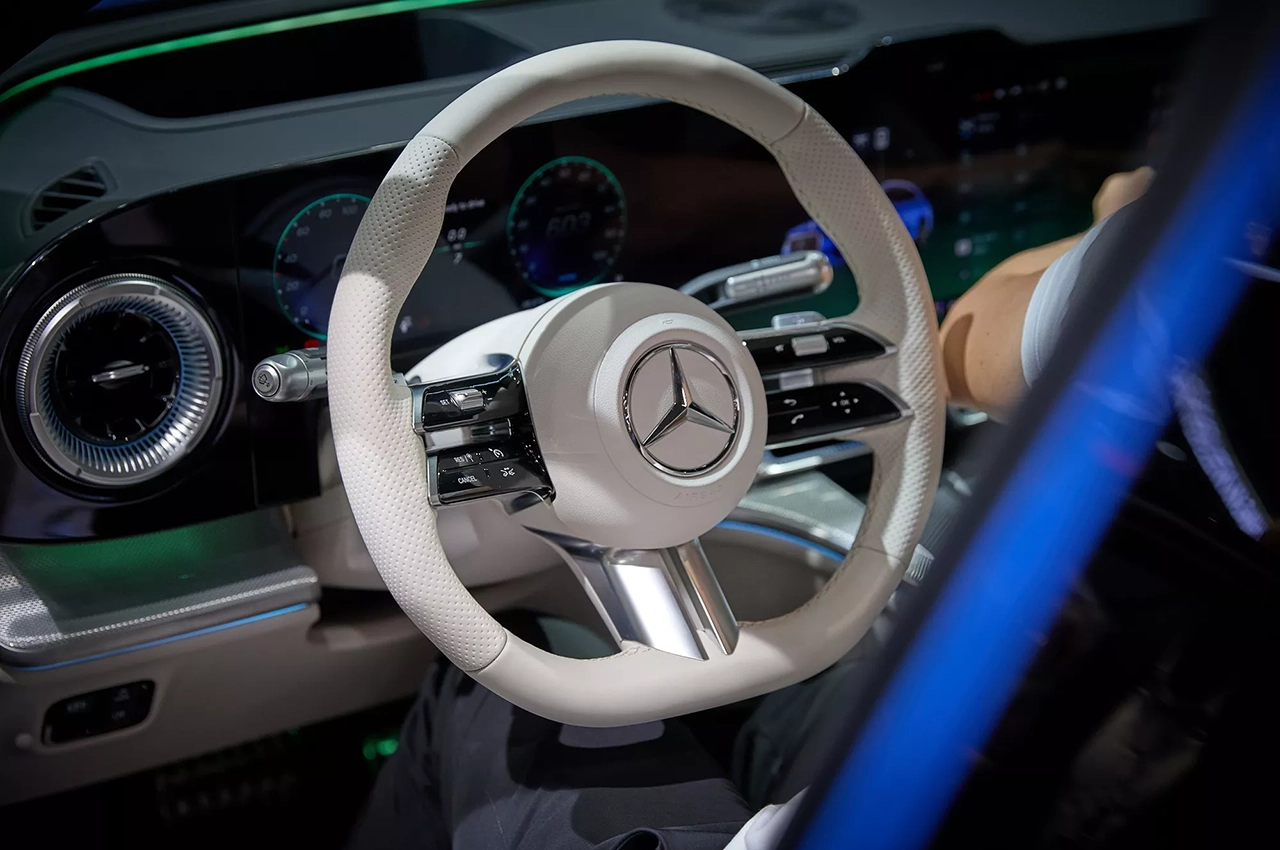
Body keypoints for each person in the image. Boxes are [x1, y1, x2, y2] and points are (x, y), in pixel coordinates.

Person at [346, 170, 1156, 850]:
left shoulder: (1192, 263)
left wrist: (1131, 220)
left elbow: (962, 350)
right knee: (841, 668)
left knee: (498, 675)